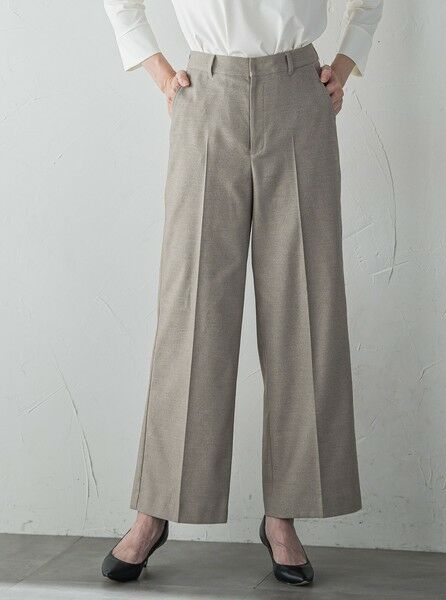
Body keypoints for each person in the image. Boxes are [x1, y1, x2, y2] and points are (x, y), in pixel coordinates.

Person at [101, 0, 383, 587]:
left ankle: (284, 517)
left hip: (299, 91)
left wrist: (347, 59)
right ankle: (155, 510)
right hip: (206, 92)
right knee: (190, 310)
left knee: (305, 310)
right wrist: (157, 69)